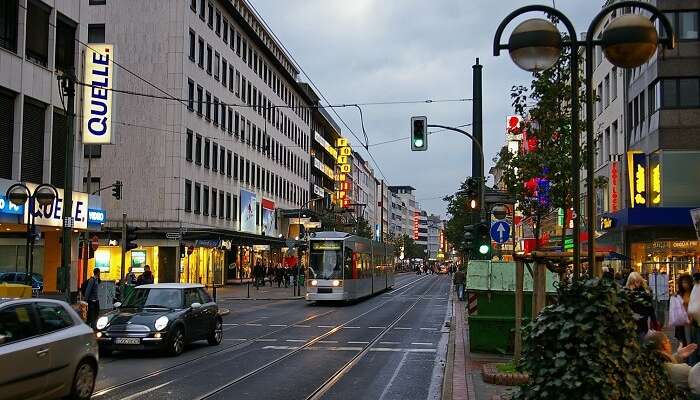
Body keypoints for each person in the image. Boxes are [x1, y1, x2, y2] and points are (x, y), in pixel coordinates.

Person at [645, 331, 700, 398]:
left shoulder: (647, 367)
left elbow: (663, 362)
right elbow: (695, 378)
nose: (670, 344)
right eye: (668, 341)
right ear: (664, 344)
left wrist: (678, 356)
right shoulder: (680, 371)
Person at [626, 271, 658, 341]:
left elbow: (650, 309)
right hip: (631, 323)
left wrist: (654, 322)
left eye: (637, 282)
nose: (636, 284)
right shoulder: (627, 293)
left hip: (642, 323)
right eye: (634, 282)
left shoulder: (645, 293)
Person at [675, 274, 694, 346]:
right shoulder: (680, 294)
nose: (685, 284)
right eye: (683, 282)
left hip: (692, 319)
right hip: (683, 320)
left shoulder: (693, 292)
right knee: (684, 340)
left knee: (691, 339)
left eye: (686, 282)